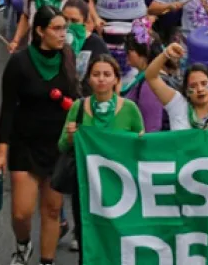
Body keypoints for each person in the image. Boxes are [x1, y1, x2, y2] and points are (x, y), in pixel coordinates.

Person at [0, 6, 79, 265]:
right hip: (25, 144)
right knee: (21, 213)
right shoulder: (19, 63)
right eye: (57, 28)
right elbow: (7, 110)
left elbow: (76, 98)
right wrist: (1, 152)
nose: (63, 34)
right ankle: (23, 244)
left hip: (57, 145)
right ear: (40, 31)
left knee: (52, 210)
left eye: (65, 28)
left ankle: (46, 261)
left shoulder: (68, 58)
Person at [58, 54, 144, 262]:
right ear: (89, 79)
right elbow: (61, 145)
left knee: (118, 238)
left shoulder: (130, 109)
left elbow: (142, 147)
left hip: (121, 187)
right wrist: (70, 137)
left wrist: (138, 141)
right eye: (96, 74)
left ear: (116, 79)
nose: (101, 79)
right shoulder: (78, 108)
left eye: (107, 74)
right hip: (87, 187)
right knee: (88, 237)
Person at [143, 42, 208, 132]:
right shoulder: (177, 106)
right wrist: (166, 54)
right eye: (193, 86)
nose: (200, 89)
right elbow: (151, 77)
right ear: (186, 90)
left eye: (204, 83)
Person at [121, 18, 169, 133]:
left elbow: (151, 128)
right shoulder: (144, 79)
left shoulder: (150, 84)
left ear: (141, 52)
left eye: (129, 52)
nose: (126, 56)